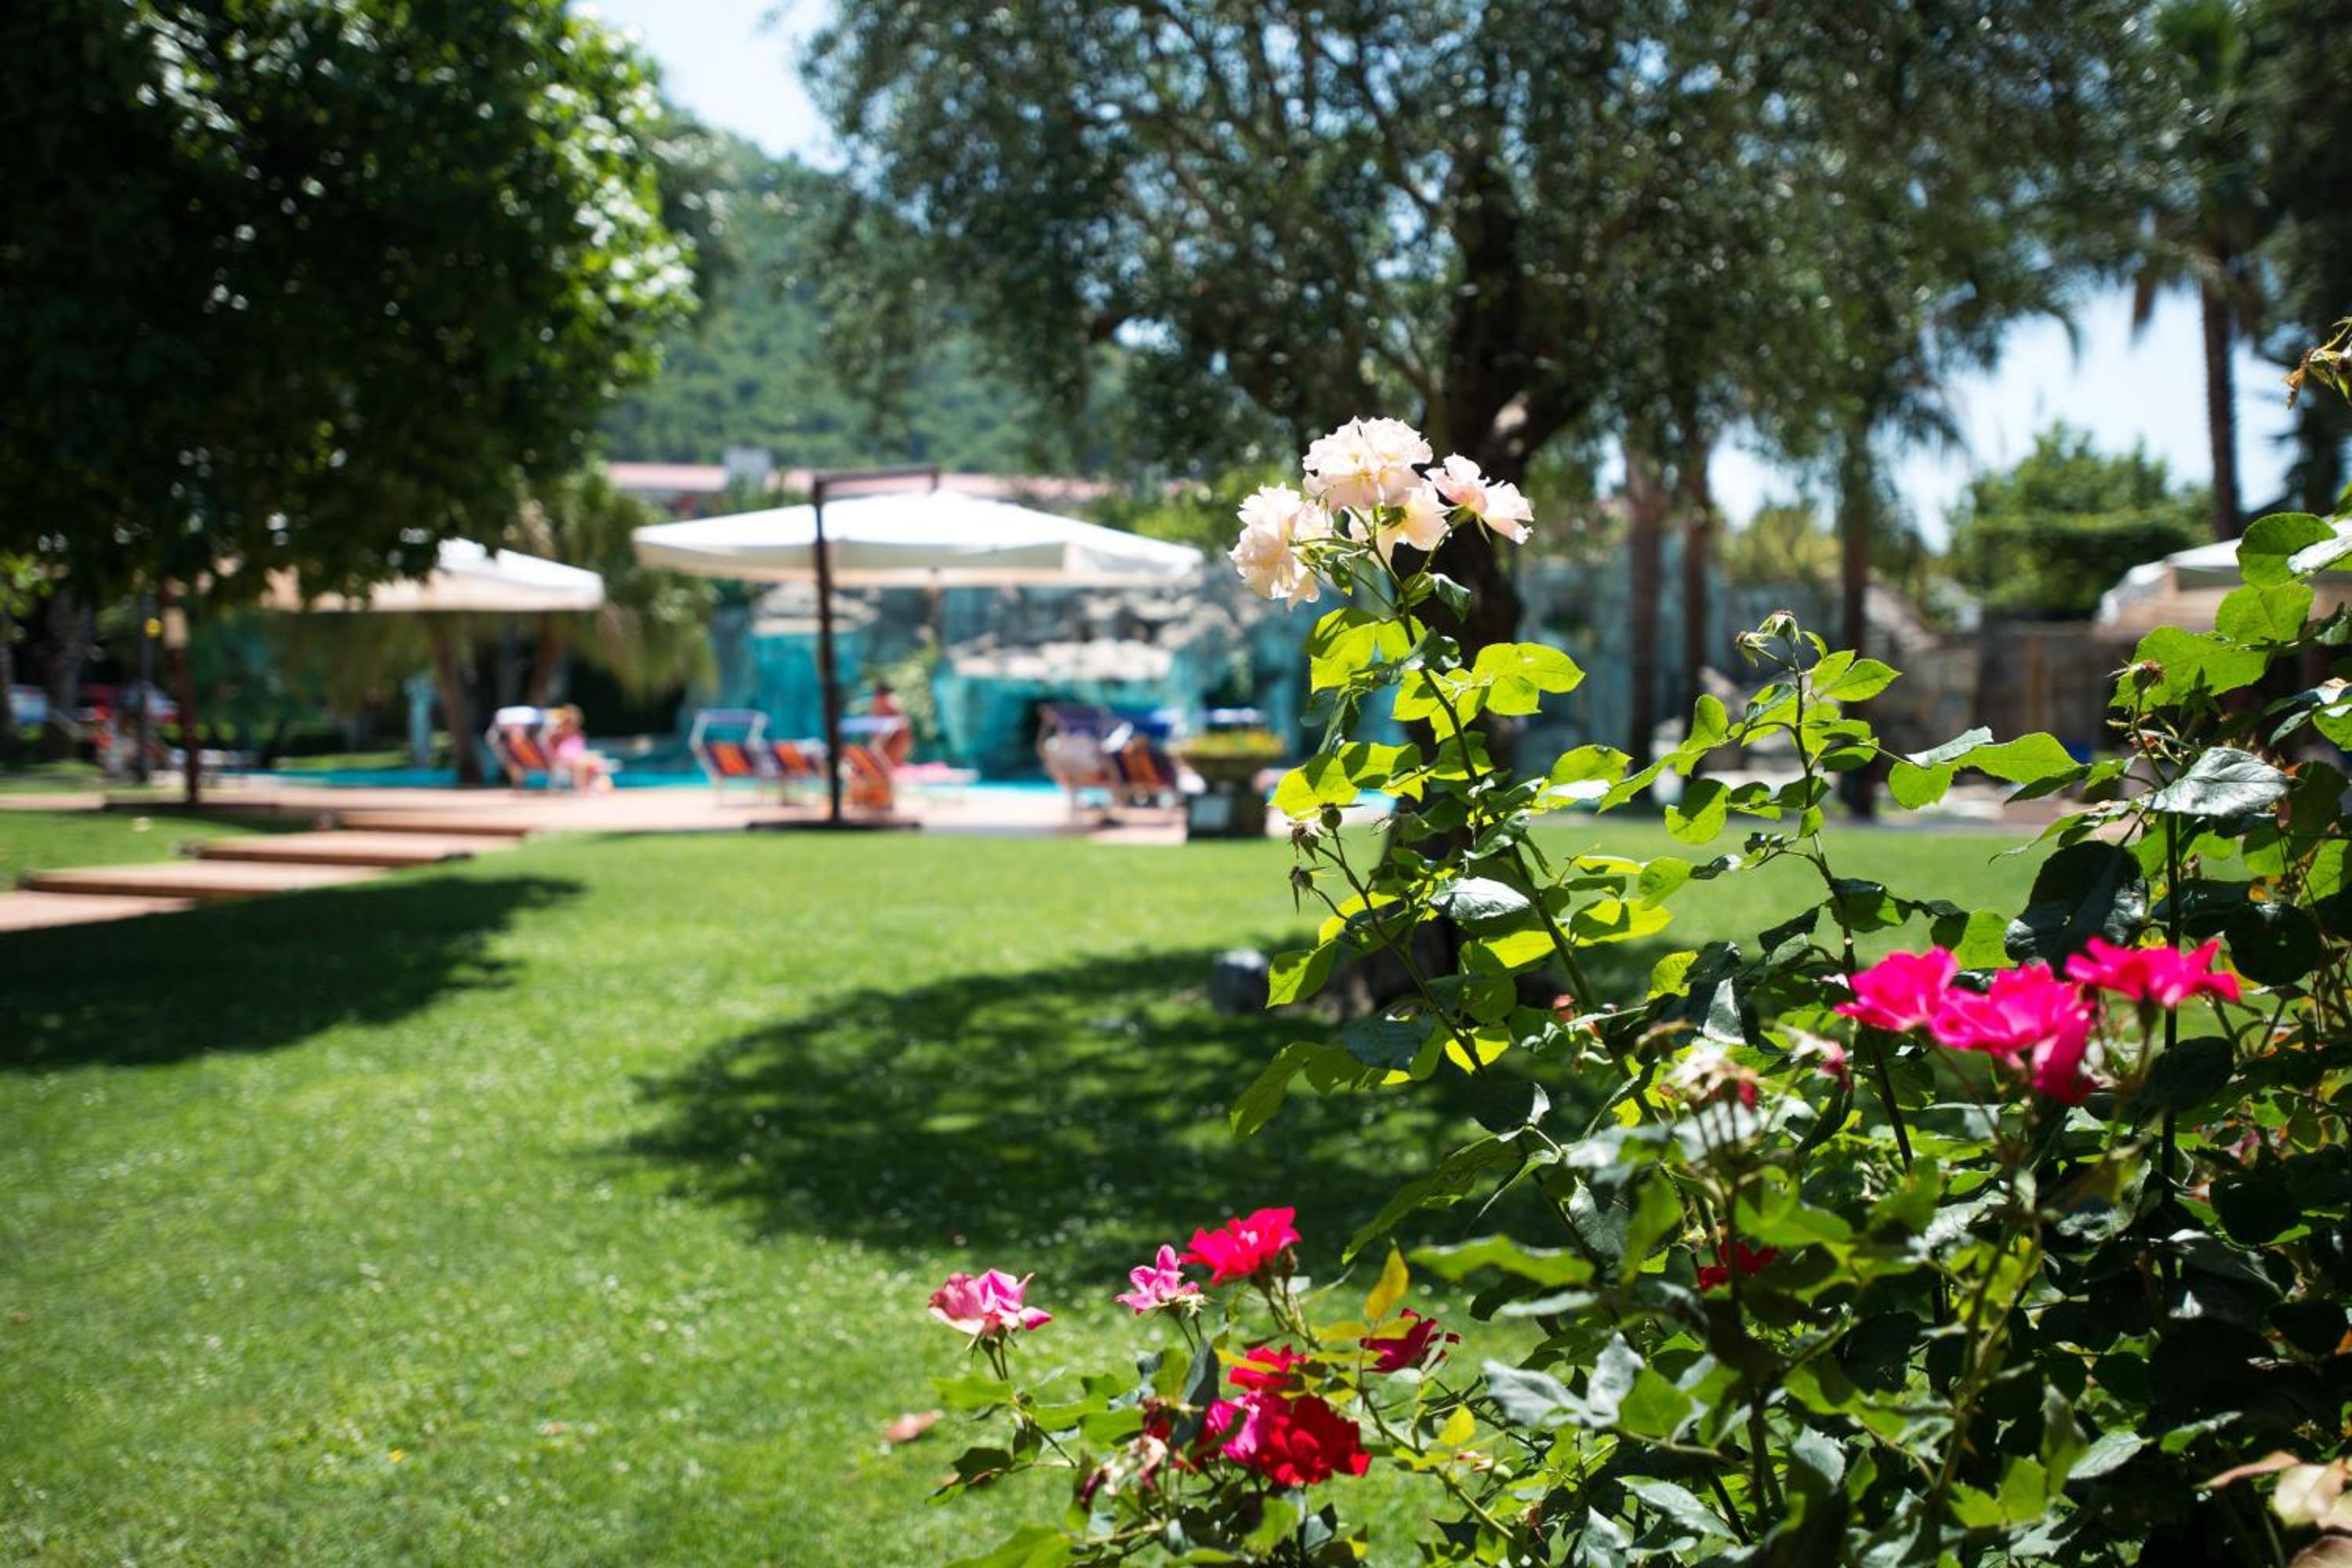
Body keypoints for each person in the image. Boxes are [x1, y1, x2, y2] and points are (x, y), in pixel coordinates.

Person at [549, 706, 614, 792]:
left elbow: (580, 751)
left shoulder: (579, 735)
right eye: (568, 722)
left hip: (578, 760)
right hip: (565, 762)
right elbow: (554, 754)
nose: (571, 726)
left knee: (597, 763)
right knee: (581, 763)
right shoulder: (556, 737)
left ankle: (593, 787)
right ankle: (583, 790)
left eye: (573, 723)